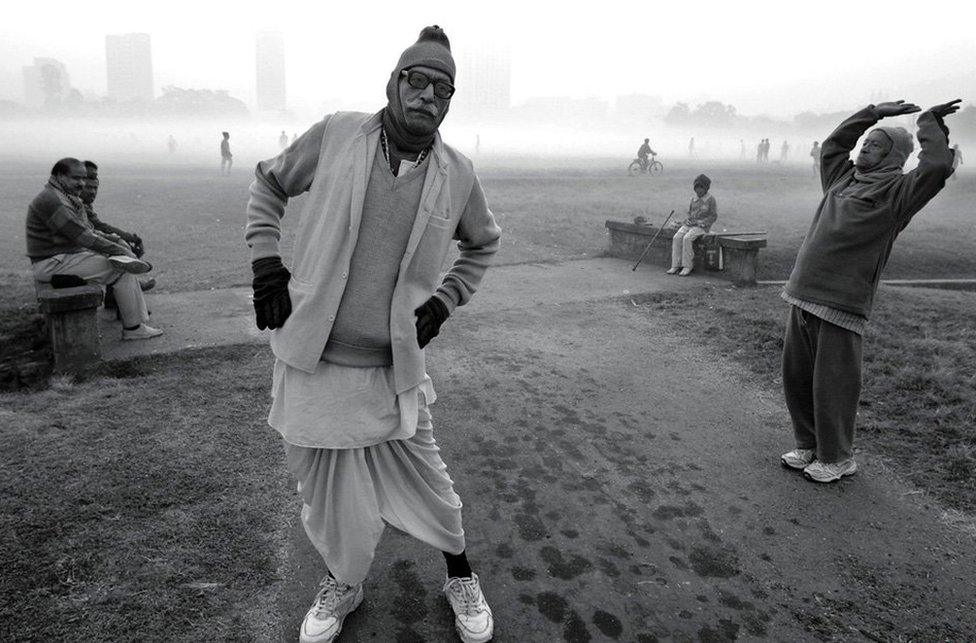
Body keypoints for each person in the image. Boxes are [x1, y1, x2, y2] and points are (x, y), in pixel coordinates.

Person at [244, 26, 500, 643]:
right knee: (329, 495)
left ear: (450, 101)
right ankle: (345, 582)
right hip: (315, 359)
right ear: (394, 83)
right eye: (418, 81)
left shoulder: (457, 173)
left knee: (430, 482)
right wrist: (265, 261)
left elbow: (483, 244)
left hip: (392, 367)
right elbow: (269, 182)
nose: (428, 96)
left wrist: (445, 300)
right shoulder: (337, 135)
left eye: (443, 89)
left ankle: (459, 575)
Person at [780, 99, 960, 483]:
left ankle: (837, 456)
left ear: (894, 155)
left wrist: (927, 122)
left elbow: (938, 166)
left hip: (842, 301)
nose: (864, 149)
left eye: (875, 145)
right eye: (865, 143)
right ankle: (809, 444)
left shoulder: (899, 193)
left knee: (833, 383)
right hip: (803, 291)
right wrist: (873, 112)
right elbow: (833, 145)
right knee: (797, 376)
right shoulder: (841, 179)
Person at [26, 158, 162, 340]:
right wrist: (120, 250)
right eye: (76, 178)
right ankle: (134, 329)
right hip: (52, 263)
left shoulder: (62, 195)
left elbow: (89, 230)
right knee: (122, 268)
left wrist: (115, 241)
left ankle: (134, 321)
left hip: (61, 258)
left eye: (83, 178)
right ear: (59, 176)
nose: (81, 183)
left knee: (120, 261)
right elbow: (84, 237)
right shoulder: (54, 200)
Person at [80, 161, 155, 295]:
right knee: (119, 253)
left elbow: (97, 227)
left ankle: (118, 296)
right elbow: (100, 227)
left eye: (95, 187)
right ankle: (127, 291)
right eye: (88, 175)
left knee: (120, 247)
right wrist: (127, 238)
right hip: (73, 252)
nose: (92, 191)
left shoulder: (83, 201)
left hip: (81, 244)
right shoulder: (77, 202)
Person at [666, 173, 717, 276]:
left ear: (706, 188)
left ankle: (687, 266)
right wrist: (688, 220)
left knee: (687, 239)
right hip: (690, 225)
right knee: (677, 237)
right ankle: (675, 265)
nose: (698, 191)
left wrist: (701, 222)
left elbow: (713, 216)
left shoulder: (711, 200)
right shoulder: (693, 199)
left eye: (701, 188)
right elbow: (690, 213)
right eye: (696, 188)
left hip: (702, 227)